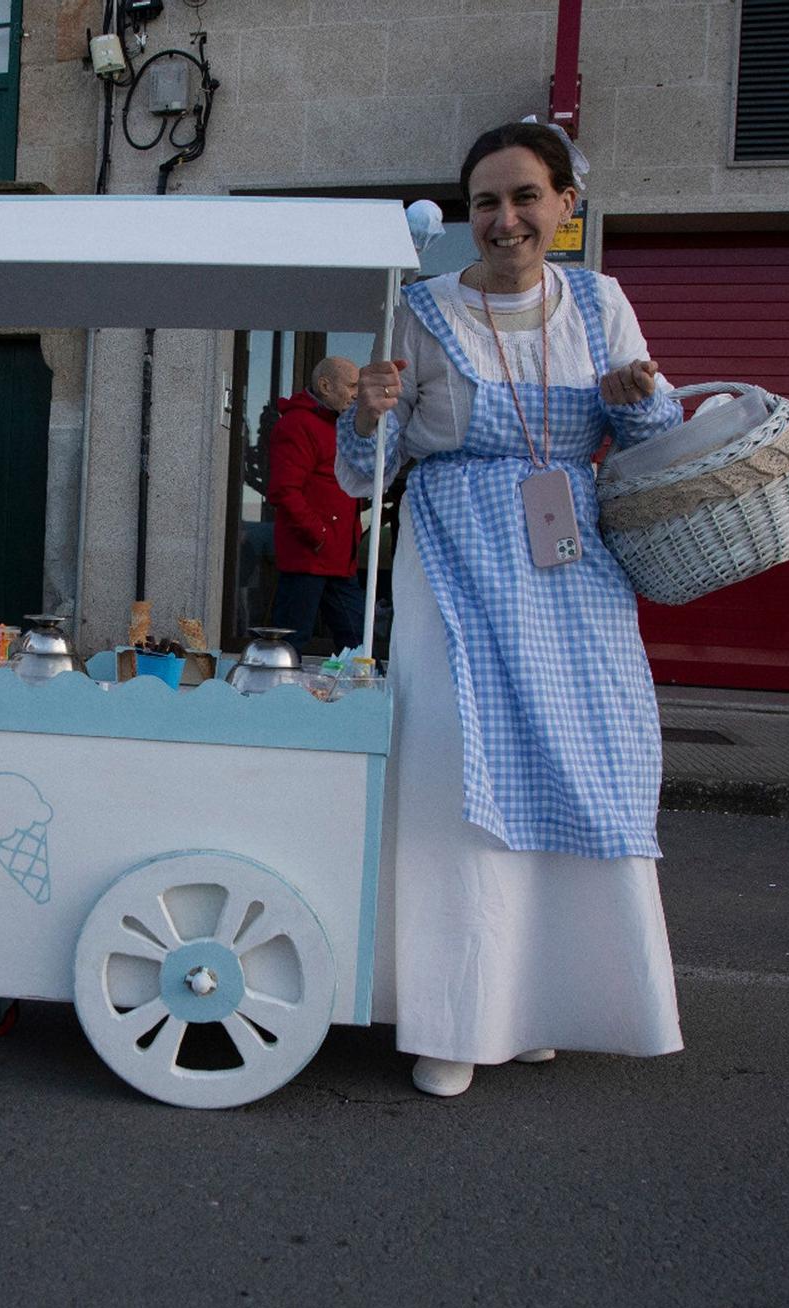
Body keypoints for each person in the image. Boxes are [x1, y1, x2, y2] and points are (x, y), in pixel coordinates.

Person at [339, 122, 685, 1098]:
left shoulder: (599, 301)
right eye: (484, 202)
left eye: (523, 197)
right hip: (452, 564)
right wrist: (365, 414)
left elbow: (650, 441)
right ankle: (454, 1019)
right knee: (453, 774)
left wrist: (643, 400)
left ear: (563, 206)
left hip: (570, 565)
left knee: (582, 759)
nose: (503, 220)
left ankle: (539, 1005)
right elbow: (365, 473)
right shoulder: (415, 311)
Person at [266, 355, 367, 654]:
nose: (357, 393)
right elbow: (284, 491)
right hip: (309, 558)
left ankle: (358, 700)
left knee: (359, 643)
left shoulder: (340, 425)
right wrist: (319, 535)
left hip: (339, 559)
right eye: (351, 385)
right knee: (290, 645)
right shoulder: (298, 425)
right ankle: (277, 699)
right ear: (325, 385)